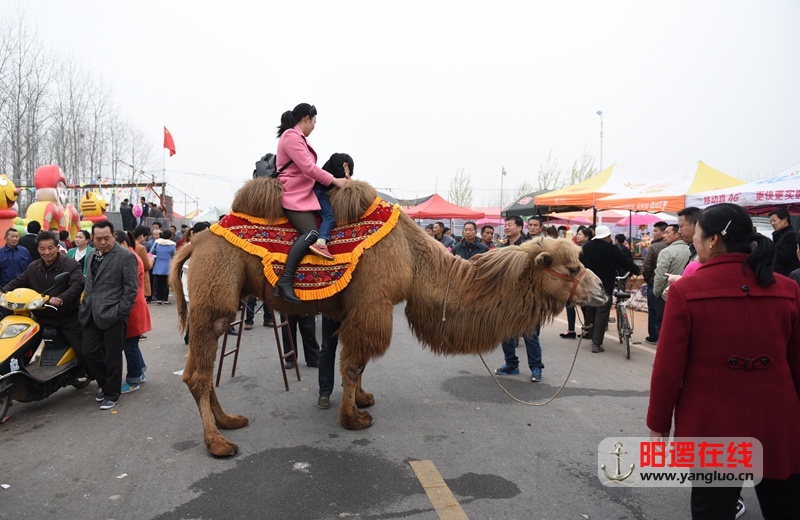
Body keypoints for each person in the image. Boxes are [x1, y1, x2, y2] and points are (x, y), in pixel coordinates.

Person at [648, 203, 800, 518]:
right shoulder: (787, 289)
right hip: (779, 422)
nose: (695, 243)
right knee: (784, 507)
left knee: (712, 511)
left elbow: (668, 368)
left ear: (714, 239)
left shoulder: (686, 291)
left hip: (713, 426)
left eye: (697, 236)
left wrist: (659, 424)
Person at [272, 103, 349, 303]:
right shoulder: (291, 136)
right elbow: (308, 167)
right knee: (313, 233)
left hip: (302, 192)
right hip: (293, 193)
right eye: (314, 122)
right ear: (307, 118)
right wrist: (334, 180)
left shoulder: (296, 137)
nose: (314, 126)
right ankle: (286, 280)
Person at [2, 231, 86, 373]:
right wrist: (3, 291)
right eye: (42, 248)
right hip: (41, 316)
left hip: (66, 317)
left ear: (57, 248)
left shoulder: (71, 265)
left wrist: (61, 299)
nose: (46, 252)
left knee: (86, 351)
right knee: (20, 346)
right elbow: (19, 281)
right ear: (38, 249)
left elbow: (77, 285)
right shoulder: (33, 267)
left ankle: (103, 382)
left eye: (50, 248)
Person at [79, 221, 139, 410]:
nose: (103, 242)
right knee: (88, 352)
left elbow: (131, 290)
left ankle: (112, 394)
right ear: (92, 239)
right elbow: (90, 284)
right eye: (98, 239)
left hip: (113, 314)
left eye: (107, 238)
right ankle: (106, 384)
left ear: (113, 236)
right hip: (91, 313)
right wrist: (85, 303)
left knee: (113, 356)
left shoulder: (125, 257)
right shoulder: (91, 256)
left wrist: (120, 312)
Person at [494, 216, 545, 382]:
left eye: (510, 225)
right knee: (506, 333)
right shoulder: (501, 247)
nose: (507, 228)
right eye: (505, 225)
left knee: (530, 334)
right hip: (506, 297)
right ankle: (511, 364)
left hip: (527, 297)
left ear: (520, 228)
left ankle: (536, 368)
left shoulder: (530, 247)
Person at [580, 225, 640, 353]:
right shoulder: (612, 249)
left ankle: (590, 333)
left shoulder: (586, 247)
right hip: (605, 286)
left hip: (589, 285)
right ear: (607, 237)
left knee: (591, 309)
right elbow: (625, 262)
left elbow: (579, 263)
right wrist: (636, 270)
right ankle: (596, 344)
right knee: (602, 313)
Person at [114, 231, 151, 394]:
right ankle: (140, 370)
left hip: (132, 306)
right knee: (131, 344)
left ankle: (133, 379)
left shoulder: (130, 258)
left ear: (122, 243)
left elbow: (124, 284)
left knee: (129, 345)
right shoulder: (130, 255)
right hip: (134, 304)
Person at [310, 153, 354, 259]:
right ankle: (321, 243)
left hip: (320, 193)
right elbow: (335, 159)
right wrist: (345, 174)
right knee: (329, 217)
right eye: (349, 170)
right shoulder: (336, 158)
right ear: (346, 164)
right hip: (319, 193)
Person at [640, 222, 669, 344]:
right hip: (671, 284)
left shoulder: (654, 247)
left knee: (653, 311)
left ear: (663, 232)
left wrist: (648, 280)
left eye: (655, 231)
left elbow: (646, 268)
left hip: (654, 283)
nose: (653, 233)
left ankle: (654, 336)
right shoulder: (679, 246)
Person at [653, 223, 692, 302]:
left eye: (667, 233)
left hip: (667, 295)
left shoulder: (666, 252)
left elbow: (660, 276)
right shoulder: (692, 250)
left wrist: (656, 293)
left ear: (677, 234)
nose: (664, 236)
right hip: (685, 293)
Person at [317, 316, 342, 409]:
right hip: (331, 308)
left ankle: (351, 387)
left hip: (353, 308)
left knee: (353, 349)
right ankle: (325, 391)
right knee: (327, 348)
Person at [769, 208, 800, 276]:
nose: (772, 223)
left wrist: (768, 246)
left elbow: (783, 257)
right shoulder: (780, 236)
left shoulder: (790, 235)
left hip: (787, 275)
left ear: (784, 220)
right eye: (771, 222)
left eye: (774, 221)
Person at [151, 229, 176, 304]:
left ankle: (159, 299)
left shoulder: (157, 243)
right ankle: (165, 299)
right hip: (167, 266)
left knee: (159, 283)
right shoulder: (172, 245)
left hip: (158, 265)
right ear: (170, 237)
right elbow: (174, 255)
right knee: (166, 284)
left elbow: (152, 251)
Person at [133, 226, 153, 303]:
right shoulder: (141, 248)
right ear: (141, 236)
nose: (145, 240)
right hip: (141, 279)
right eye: (145, 237)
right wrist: (151, 260)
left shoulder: (130, 245)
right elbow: (146, 266)